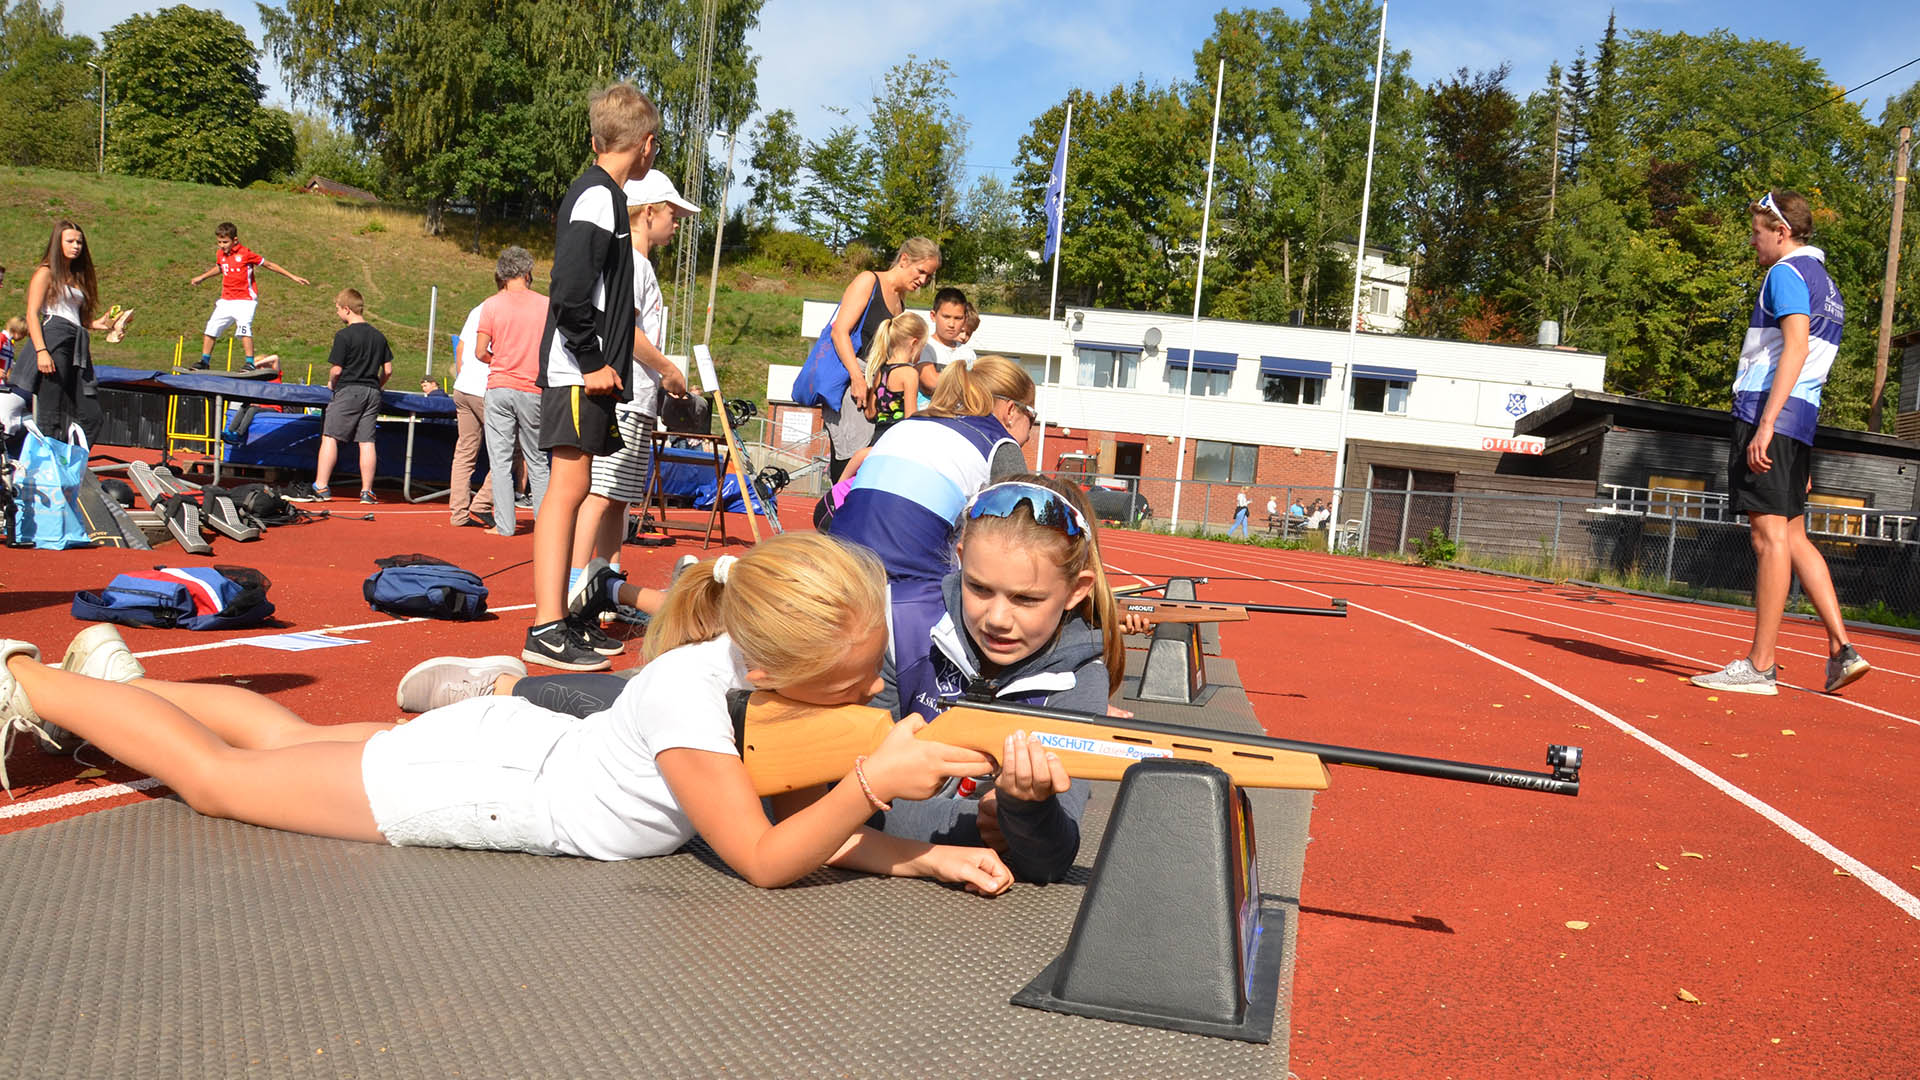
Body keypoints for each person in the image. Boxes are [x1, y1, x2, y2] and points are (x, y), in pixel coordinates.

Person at [0, 538, 1013, 895]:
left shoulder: (748, 677)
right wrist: (877, 783)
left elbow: (800, 826)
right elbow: (759, 853)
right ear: (791, 663)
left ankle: (113, 686)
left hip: (510, 752)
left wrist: (913, 856)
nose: (876, 693)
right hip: (482, 787)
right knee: (220, 787)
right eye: (862, 677)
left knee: (293, 737)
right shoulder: (694, 698)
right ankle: (32, 685)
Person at [396, 478, 1126, 885]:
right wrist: (900, 788)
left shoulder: (1079, 688)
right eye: (980, 588)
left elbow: (1047, 864)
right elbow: (804, 772)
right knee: (632, 697)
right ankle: (497, 692)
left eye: (1026, 601)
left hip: (838, 813)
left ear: (1077, 592)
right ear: (958, 562)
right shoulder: (910, 628)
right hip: (782, 760)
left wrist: (1023, 815)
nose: (998, 618)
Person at [1691, 189, 1869, 697]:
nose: (1753, 242)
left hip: (1769, 414)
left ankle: (1760, 665)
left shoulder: (1786, 274)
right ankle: (1842, 650)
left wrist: (1767, 423)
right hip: (1800, 421)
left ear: (1782, 231)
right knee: (1792, 537)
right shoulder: (1826, 283)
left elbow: (1795, 346)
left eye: (1757, 232)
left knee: (1767, 540)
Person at [526, 83, 657, 673]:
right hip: (579, 373)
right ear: (647, 145)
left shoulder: (603, 196)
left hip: (588, 372)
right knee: (568, 492)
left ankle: (565, 621)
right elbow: (570, 290)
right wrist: (590, 361)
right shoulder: (598, 197)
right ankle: (546, 626)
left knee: (575, 490)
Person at [829, 356, 1038, 717]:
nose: (1031, 431)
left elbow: (831, 508)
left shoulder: (910, 424)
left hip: (834, 572)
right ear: (1009, 409)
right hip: (904, 598)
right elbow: (1021, 544)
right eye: (1032, 417)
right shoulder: (1000, 445)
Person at [565, 169, 697, 648]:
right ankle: (576, 592)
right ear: (647, 212)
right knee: (600, 495)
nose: (677, 224)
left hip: (636, 397)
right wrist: (668, 370)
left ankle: (606, 589)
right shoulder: (633, 266)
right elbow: (631, 335)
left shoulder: (641, 266)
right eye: (673, 214)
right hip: (626, 393)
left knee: (618, 498)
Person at [821, 238, 941, 481]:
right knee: (847, 466)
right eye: (921, 272)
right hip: (851, 383)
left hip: (870, 388)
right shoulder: (869, 281)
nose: (923, 280)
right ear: (904, 259)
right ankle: (834, 513)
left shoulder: (900, 305)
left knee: (865, 468)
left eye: (929, 276)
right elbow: (839, 331)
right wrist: (856, 376)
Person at [11, 220, 127, 443]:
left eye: (80, 242)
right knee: (50, 415)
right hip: (53, 338)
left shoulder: (76, 276)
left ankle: (69, 465)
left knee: (92, 417)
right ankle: (46, 470)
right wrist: (41, 351)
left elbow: (77, 318)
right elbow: (32, 314)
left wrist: (102, 324)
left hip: (77, 343)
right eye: (70, 241)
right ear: (58, 242)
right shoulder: (46, 272)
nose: (76, 246)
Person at [286, 289, 391, 504]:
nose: (337, 313)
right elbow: (388, 370)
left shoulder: (344, 335)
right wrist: (377, 386)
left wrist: (332, 385)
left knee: (330, 436)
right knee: (367, 442)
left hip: (349, 389)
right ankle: (367, 491)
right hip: (372, 392)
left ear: (346, 309)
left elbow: (336, 370)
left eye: (337, 309)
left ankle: (321, 486)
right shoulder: (379, 336)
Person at [474, 247, 551, 538]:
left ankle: (505, 525)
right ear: (528, 272)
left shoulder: (491, 305)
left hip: (500, 386)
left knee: (501, 460)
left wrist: (500, 360)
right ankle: (546, 527)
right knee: (538, 461)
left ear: (502, 274)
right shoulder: (546, 305)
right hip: (533, 388)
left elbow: (480, 351)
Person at [188, 222, 309, 370]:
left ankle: (250, 362)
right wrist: (202, 277)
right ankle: (204, 361)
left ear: (235, 240)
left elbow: (269, 264)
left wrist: (292, 276)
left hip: (245, 300)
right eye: (219, 242)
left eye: (225, 242)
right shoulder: (220, 254)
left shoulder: (245, 253)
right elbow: (220, 267)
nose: (222, 245)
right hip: (226, 300)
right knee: (211, 329)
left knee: (244, 329)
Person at [448, 275, 501, 530]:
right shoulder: (503, 309)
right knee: (510, 449)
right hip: (485, 388)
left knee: (465, 451)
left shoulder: (479, 308)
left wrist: (463, 377)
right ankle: (481, 502)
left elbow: (461, 348)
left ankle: (458, 512)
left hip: (465, 387)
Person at [863, 311, 927, 441]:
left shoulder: (881, 371)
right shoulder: (909, 373)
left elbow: (870, 413)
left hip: (878, 439)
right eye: (923, 346)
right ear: (914, 343)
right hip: (898, 440)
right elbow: (910, 417)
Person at [915, 286, 976, 407]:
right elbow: (931, 383)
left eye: (958, 318)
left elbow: (977, 388)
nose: (952, 324)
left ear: (965, 319)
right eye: (946, 317)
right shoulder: (924, 346)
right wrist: (965, 383)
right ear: (933, 316)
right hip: (927, 417)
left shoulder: (969, 354)